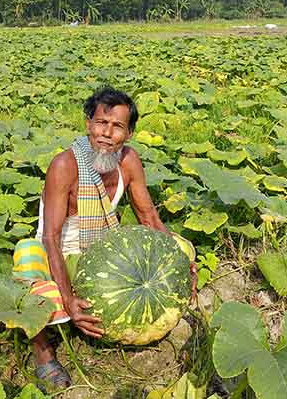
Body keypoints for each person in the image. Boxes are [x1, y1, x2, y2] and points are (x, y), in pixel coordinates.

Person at [12, 86, 196, 390]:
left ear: (130, 133)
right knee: (27, 252)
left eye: (117, 127)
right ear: (88, 124)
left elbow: (149, 217)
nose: (106, 133)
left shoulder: (129, 161)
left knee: (181, 246)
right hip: (61, 250)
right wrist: (68, 299)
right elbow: (51, 236)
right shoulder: (65, 165)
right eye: (100, 123)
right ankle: (43, 353)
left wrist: (181, 263)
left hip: (103, 245)